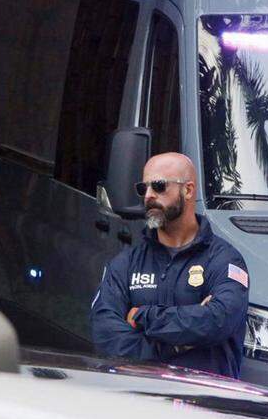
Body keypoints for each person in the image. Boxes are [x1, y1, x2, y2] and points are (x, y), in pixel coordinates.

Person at [90, 152, 249, 377]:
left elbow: (218, 321)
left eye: (159, 186)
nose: (148, 196)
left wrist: (143, 316)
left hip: (206, 403)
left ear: (188, 190)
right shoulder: (126, 263)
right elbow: (105, 333)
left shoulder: (225, 260)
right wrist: (172, 348)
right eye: (143, 188)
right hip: (141, 400)